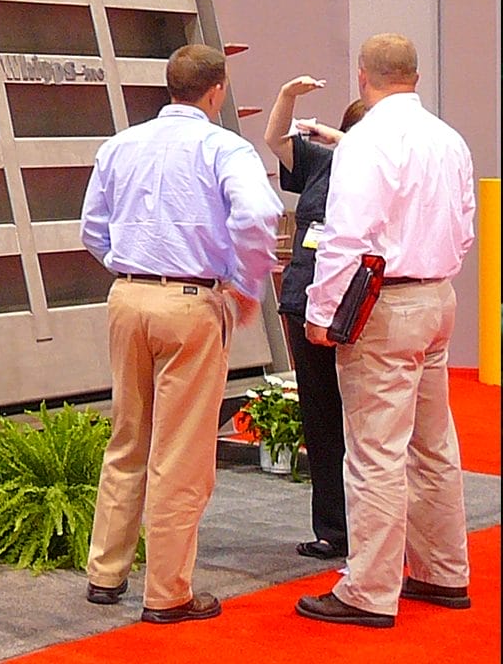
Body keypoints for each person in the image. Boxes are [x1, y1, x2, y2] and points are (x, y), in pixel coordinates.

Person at [80, 44, 283, 624]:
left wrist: (131, 267)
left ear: (169, 87)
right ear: (217, 91)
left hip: (128, 294)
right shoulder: (224, 146)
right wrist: (244, 287)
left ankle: (106, 572)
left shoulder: (121, 144)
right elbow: (258, 216)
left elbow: (91, 228)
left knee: (127, 437)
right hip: (192, 300)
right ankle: (167, 592)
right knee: (181, 453)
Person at [295, 34, 476, 628]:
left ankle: (368, 590)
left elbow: (345, 236)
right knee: (434, 444)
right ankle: (442, 570)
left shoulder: (368, 140)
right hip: (437, 296)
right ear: (416, 76)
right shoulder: (449, 139)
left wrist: (322, 314)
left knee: (374, 451)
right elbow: (465, 226)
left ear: (362, 75)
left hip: (382, 303)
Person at [264, 76, 368, 560]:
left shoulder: (377, 167)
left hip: (359, 309)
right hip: (306, 303)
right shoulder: (322, 163)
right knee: (322, 419)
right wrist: (287, 96)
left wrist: (349, 143)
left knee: (366, 423)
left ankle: (376, 529)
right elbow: (277, 140)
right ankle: (334, 528)